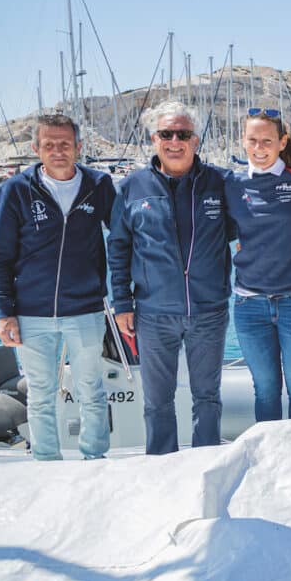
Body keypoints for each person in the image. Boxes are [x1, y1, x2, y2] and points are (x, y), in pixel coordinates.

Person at [108, 102, 231, 454]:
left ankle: (206, 464)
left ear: (196, 140)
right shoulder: (133, 187)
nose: (175, 141)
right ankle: (161, 468)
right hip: (153, 313)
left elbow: (248, 228)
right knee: (157, 401)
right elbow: (118, 248)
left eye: (184, 134)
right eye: (166, 134)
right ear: (154, 139)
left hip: (209, 311)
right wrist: (122, 304)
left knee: (207, 397)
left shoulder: (219, 183)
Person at [0, 114, 115, 460]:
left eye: (64, 144)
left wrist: (125, 295)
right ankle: (47, 464)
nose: (57, 151)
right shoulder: (17, 189)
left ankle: (95, 458)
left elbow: (122, 240)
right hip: (31, 312)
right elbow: (0, 257)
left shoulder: (99, 185)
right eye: (49, 145)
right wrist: (6, 313)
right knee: (41, 394)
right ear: (36, 149)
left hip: (86, 309)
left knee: (92, 389)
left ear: (78, 147)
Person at [224, 108, 291, 421]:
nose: (259, 147)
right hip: (249, 304)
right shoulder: (232, 184)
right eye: (252, 140)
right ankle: (270, 460)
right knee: (265, 390)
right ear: (243, 141)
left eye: (267, 140)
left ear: (282, 143)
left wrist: (290, 248)